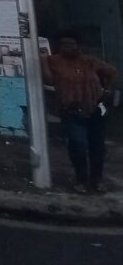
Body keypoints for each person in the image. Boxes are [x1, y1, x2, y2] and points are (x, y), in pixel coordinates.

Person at [41, 34, 117, 194]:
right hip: (71, 110)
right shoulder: (54, 61)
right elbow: (48, 79)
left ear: (78, 45)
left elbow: (111, 71)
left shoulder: (89, 61)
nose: (67, 47)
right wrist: (42, 60)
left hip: (94, 108)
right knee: (77, 145)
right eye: (63, 44)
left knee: (97, 147)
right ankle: (81, 180)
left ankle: (97, 180)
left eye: (71, 44)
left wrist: (107, 90)